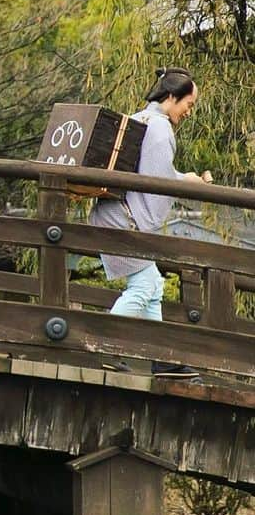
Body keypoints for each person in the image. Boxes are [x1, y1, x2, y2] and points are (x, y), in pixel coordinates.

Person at [89, 67, 211, 379]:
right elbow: (157, 184)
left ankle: (161, 358)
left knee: (152, 285)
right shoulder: (160, 128)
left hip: (111, 214)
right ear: (172, 97)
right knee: (144, 285)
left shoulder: (139, 117)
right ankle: (106, 348)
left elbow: (151, 174)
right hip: (124, 220)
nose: (189, 111)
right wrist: (188, 183)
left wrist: (184, 178)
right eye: (189, 104)